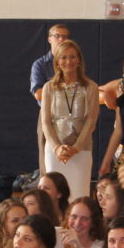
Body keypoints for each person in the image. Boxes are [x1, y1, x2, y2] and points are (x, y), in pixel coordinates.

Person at [40, 39, 99, 198]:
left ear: (79, 59)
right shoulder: (48, 87)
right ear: (57, 62)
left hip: (81, 150)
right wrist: (57, 147)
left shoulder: (91, 87)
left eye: (72, 57)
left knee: (79, 195)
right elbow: (46, 122)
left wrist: (76, 148)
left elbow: (91, 121)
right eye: (64, 57)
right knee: (54, 197)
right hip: (55, 151)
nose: (68, 61)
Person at [31, 25, 71, 172]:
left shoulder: (73, 65)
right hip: (49, 115)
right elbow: (39, 93)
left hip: (72, 116)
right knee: (47, 165)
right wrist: (64, 89)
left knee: (71, 161)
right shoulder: (40, 64)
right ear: (49, 39)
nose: (61, 39)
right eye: (57, 36)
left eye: (65, 37)